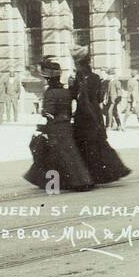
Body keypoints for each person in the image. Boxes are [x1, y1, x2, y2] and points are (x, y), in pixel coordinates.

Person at [24, 57, 93, 193]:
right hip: (66, 124)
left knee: (59, 154)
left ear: (48, 79)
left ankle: (76, 182)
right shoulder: (66, 91)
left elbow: (49, 113)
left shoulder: (50, 93)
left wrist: (40, 126)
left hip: (55, 126)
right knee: (68, 153)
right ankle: (80, 180)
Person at [70, 46, 131, 184]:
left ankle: (91, 174)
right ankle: (110, 171)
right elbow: (98, 98)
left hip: (85, 114)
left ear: (80, 65)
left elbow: (75, 95)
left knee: (86, 144)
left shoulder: (81, 79)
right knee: (97, 143)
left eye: (76, 65)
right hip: (93, 114)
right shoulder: (95, 78)